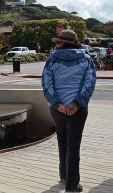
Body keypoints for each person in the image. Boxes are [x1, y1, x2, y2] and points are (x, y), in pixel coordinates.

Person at [41, 29, 96, 193]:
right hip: (77, 110)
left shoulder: (51, 60)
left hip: (57, 110)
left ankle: (64, 176)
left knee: (62, 140)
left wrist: (57, 104)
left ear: (63, 43)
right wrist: (77, 104)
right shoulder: (86, 59)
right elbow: (90, 83)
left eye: (58, 41)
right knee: (74, 144)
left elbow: (46, 84)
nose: (57, 44)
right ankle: (72, 185)